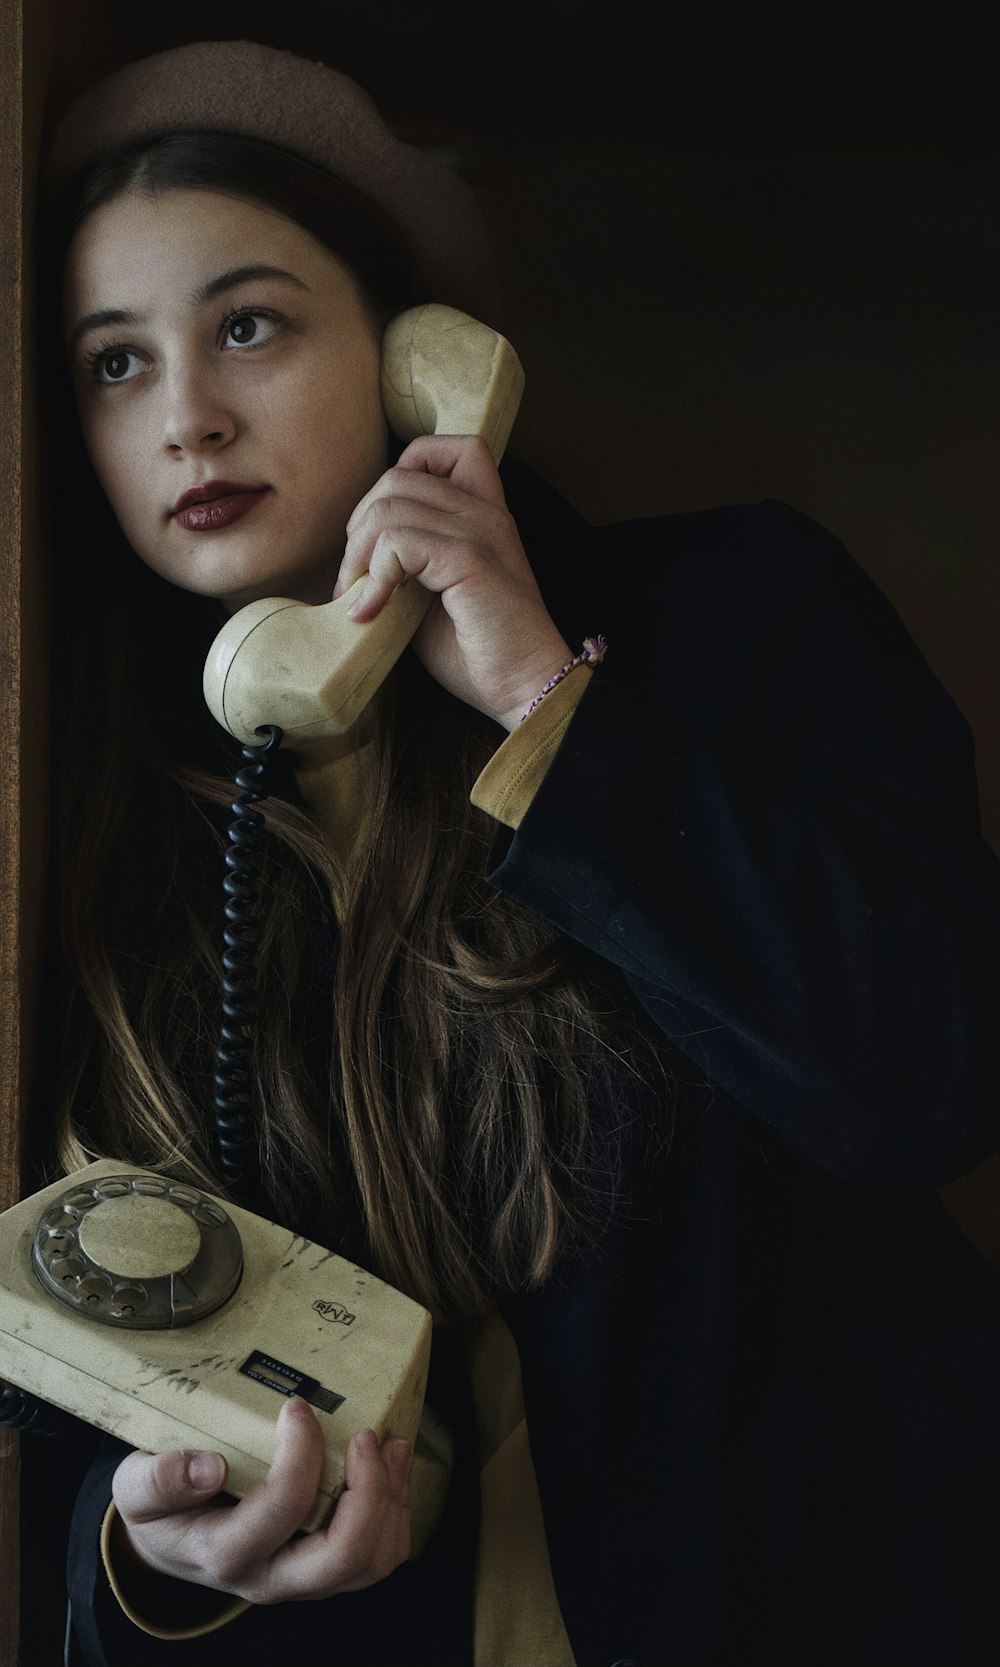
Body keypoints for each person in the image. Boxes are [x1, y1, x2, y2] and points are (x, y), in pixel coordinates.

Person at [33, 38, 1000, 1667]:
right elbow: (84, 1390)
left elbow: (924, 1080)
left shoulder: (738, 617)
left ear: (420, 357)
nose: (187, 418)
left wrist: (546, 705)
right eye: (114, 365)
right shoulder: (86, 804)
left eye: (248, 325)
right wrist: (150, 1549)